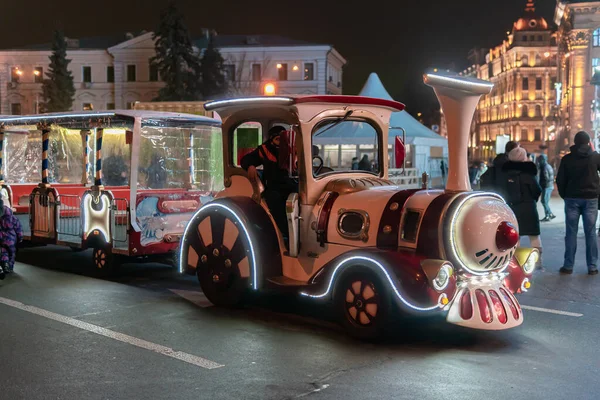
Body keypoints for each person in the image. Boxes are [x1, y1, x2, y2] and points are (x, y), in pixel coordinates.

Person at [241, 125, 298, 238]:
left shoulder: (291, 149)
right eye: (278, 139)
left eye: (283, 140)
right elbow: (246, 159)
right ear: (271, 140)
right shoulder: (265, 149)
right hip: (273, 186)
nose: (281, 143)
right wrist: (250, 166)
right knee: (275, 200)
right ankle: (284, 234)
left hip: (291, 184)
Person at [556, 131, 600, 275]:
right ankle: (592, 267)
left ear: (575, 142)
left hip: (572, 199)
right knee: (591, 233)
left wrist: (565, 195)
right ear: (588, 142)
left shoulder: (567, 159)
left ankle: (568, 266)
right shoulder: (595, 157)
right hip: (591, 199)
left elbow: (560, 179)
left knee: (571, 233)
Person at [502, 147, 543, 270]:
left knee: (515, 236)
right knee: (534, 236)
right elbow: (537, 190)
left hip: (512, 208)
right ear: (523, 157)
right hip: (528, 207)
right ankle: (537, 262)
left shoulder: (505, 173)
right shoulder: (528, 173)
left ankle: (517, 262)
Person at [0, 192, 23, 279]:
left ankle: (4, 263)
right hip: (11, 238)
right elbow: (18, 227)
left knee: (4, 251)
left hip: (1, 237)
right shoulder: (11, 217)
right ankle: (10, 267)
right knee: (12, 253)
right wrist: (20, 237)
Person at [538, 154, 556, 222]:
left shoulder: (544, 168)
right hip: (550, 186)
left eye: (540, 160)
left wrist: (541, 186)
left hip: (546, 187)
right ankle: (550, 214)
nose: (539, 162)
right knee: (545, 202)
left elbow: (545, 178)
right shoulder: (548, 166)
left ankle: (548, 215)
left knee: (544, 201)